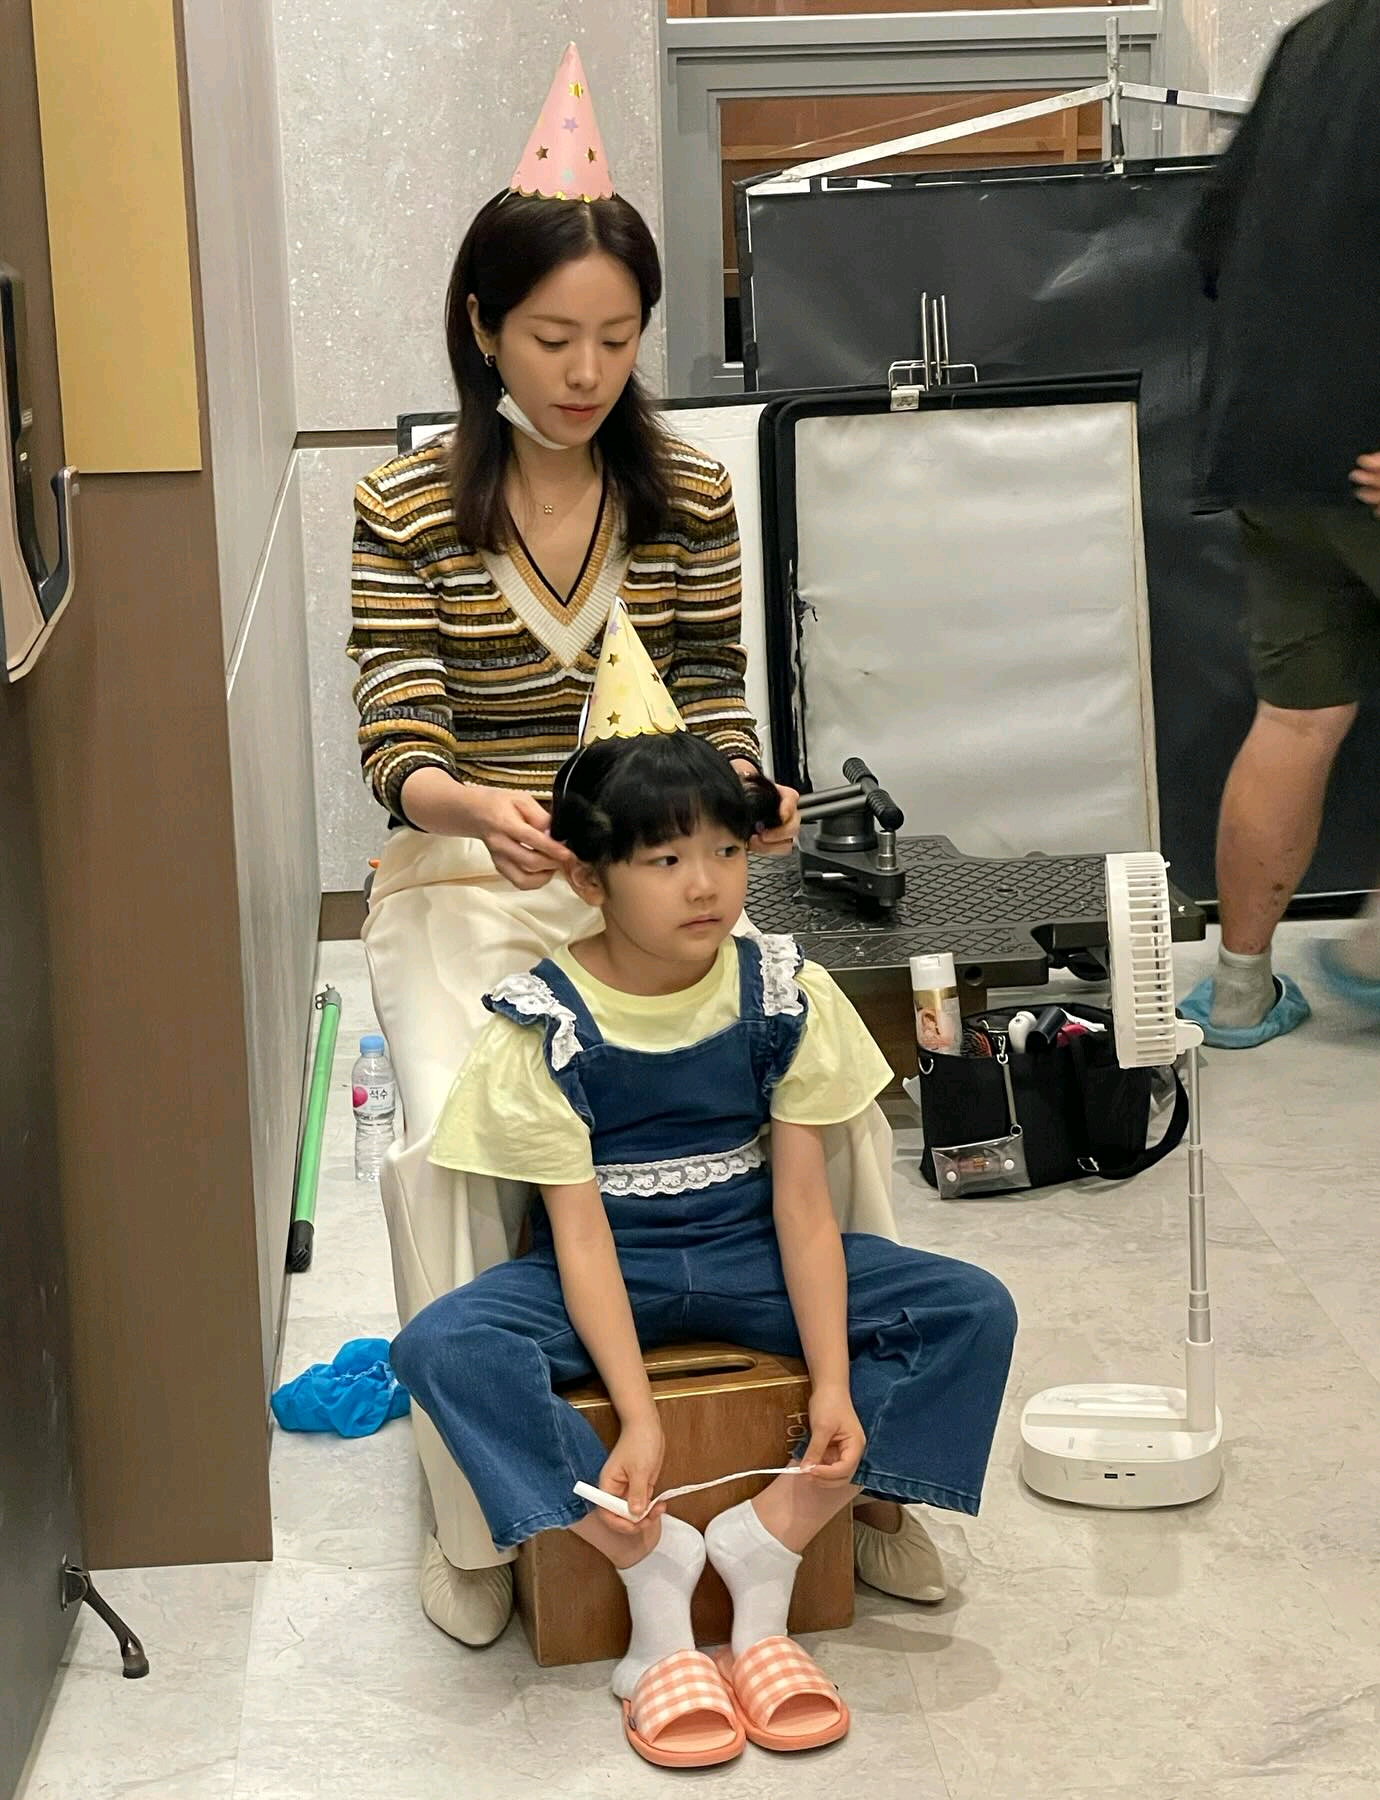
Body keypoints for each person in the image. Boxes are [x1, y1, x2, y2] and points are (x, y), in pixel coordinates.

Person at [348, 44, 937, 1648]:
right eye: (554, 338)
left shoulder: (683, 490)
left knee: (836, 1107)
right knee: (445, 1153)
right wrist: (476, 807)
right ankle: (487, 1526)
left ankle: (870, 1484)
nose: (587, 370)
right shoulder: (406, 505)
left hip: (657, 881)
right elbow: (396, 734)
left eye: (616, 339)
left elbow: (718, 694)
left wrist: (744, 790)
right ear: (484, 328)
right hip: (472, 887)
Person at [389, 722, 1017, 1767]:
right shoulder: (542, 1021)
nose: (705, 885)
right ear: (590, 879)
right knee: (441, 1348)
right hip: (604, 1269)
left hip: (751, 1253)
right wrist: (636, 1419)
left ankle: (776, 1537)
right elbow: (579, 1237)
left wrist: (832, 1386)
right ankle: (646, 1561)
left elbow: (805, 1212)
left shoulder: (784, 989)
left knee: (971, 1309)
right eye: (665, 859)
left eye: (726, 851)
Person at [1180, 0, 1380, 1048]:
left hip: (1268, 440)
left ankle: (1240, 989)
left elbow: (1211, 240)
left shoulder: (1315, 37)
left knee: (1296, 716)